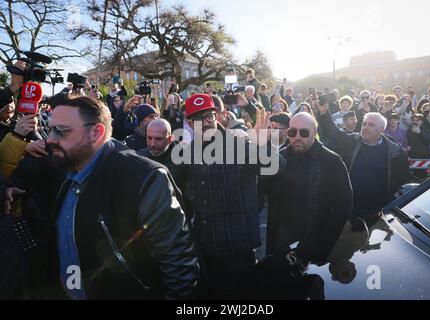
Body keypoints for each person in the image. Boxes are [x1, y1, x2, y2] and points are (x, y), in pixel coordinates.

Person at [6, 94, 198, 299]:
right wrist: (9, 187)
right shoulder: (64, 161)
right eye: (49, 129)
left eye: (61, 131)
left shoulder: (145, 178)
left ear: (96, 133)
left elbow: (179, 266)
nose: (50, 139)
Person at [177, 93, 278, 299]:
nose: (205, 123)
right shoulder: (189, 151)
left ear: (217, 116)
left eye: (208, 116)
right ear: (189, 122)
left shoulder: (238, 143)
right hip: (205, 249)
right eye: (197, 119)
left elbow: (276, 166)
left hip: (236, 251)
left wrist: (260, 145)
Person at [266, 112, 353, 256]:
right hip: (281, 244)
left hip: (315, 247)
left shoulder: (331, 161)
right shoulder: (281, 157)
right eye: (293, 132)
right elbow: (262, 188)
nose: (298, 137)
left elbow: (343, 208)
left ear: (314, 133)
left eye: (304, 132)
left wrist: (324, 242)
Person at [318, 102, 411, 217]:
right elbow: (333, 134)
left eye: (371, 125)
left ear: (381, 129)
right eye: (364, 124)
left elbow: (404, 183)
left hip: (380, 212)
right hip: (351, 208)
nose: (365, 127)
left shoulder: (396, 153)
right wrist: (324, 113)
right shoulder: (352, 141)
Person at [138, 118, 181, 186]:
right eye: (149, 138)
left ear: (170, 139)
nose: (153, 144)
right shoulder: (140, 156)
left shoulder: (183, 160)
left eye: (158, 139)